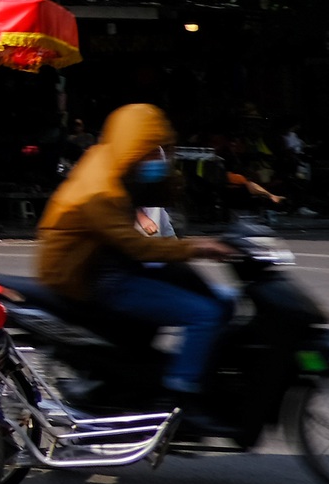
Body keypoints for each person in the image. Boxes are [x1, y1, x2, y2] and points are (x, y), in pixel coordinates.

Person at [38, 102, 238, 434]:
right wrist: (197, 246)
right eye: (150, 152)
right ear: (133, 148)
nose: (158, 158)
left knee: (223, 297)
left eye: (161, 150)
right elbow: (137, 245)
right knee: (204, 312)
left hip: (118, 264)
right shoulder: (100, 190)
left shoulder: (112, 163)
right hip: (102, 279)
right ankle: (180, 394)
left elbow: (151, 203)